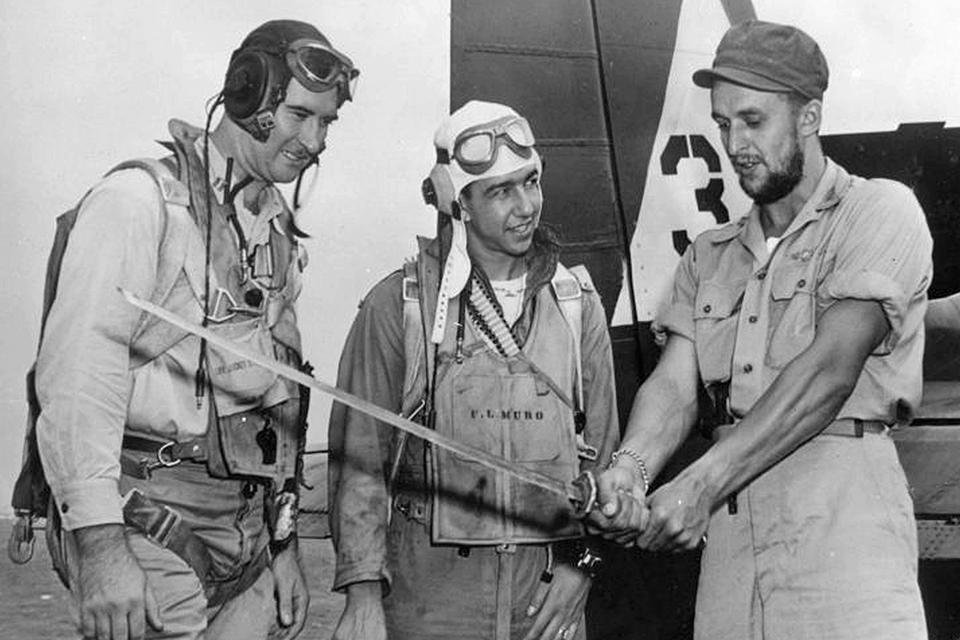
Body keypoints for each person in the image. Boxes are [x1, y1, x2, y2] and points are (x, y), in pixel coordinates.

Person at [587, 19, 930, 640]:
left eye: (752, 121)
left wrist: (699, 483)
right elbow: (673, 388)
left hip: (843, 532)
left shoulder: (879, 212)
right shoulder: (708, 255)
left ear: (809, 117)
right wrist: (631, 469)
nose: (734, 142)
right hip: (733, 549)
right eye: (722, 124)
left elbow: (829, 372)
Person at [34, 19, 358, 640]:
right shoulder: (139, 203)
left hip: (245, 529)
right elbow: (79, 377)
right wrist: (101, 552)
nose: (313, 139)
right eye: (298, 115)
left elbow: (282, 403)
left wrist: (282, 548)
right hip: (144, 512)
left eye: (326, 123)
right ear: (247, 93)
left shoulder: (276, 240)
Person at [328, 100, 619, 640]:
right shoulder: (402, 306)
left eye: (530, 182)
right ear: (455, 201)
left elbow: (603, 456)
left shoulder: (576, 304)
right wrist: (363, 597)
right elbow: (360, 461)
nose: (526, 205)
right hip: (432, 598)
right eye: (500, 191)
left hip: (545, 599)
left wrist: (584, 567)